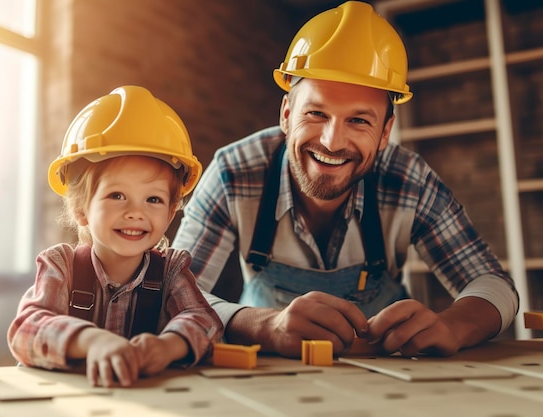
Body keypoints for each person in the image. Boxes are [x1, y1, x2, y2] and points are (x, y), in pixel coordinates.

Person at [172, 1, 519, 359]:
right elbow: (174, 294)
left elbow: (495, 286)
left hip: (388, 381)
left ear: (385, 133)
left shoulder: (408, 182)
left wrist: (453, 325)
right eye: (316, 113)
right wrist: (262, 324)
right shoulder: (234, 172)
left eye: (359, 121)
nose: (331, 142)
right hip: (266, 372)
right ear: (287, 114)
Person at [8, 85, 223, 387]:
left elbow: (207, 323)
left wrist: (167, 346)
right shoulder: (61, 266)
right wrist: (92, 341)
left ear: (170, 212)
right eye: (117, 195)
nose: (136, 212)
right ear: (81, 209)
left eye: (153, 200)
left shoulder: (172, 271)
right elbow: (25, 330)